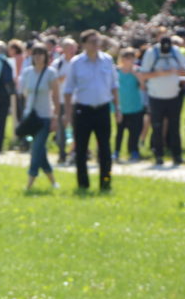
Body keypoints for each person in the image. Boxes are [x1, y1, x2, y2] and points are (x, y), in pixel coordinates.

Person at [63, 29, 120, 191]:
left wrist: (118, 109)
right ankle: (83, 184)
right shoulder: (76, 63)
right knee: (81, 150)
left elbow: (114, 86)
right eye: (92, 42)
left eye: (98, 41)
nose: (96, 45)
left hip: (102, 109)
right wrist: (67, 115)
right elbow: (68, 90)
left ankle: (106, 182)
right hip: (83, 110)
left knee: (105, 149)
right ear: (84, 44)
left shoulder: (107, 60)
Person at [140, 34, 185, 167]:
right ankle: (158, 155)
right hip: (156, 96)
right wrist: (160, 73)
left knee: (175, 127)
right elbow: (143, 74)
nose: (166, 50)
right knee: (157, 127)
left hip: (174, 95)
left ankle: (176, 155)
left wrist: (176, 72)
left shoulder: (176, 52)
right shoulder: (151, 53)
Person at [19, 43, 61, 191]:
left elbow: (56, 96)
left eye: (40, 54)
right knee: (40, 151)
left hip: (44, 116)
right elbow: (24, 93)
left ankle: (30, 182)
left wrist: (55, 116)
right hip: (30, 116)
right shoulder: (27, 72)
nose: (37, 57)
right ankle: (53, 182)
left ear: (46, 56)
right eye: (35, 54)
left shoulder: (51, 73)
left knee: (36, 149)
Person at [114, 47, 145, 162]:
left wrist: (136, 74)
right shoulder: (116, 71)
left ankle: (134, 151)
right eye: (127, 58)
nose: (130, 60)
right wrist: (115, 108)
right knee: (119, 132)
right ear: (122, 59)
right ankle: (116, 151)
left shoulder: (137, 71)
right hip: (121, 108)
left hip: (135, 107)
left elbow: (143, 87)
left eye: (132, 58)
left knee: (134, 132)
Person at [51, 37, 78, 166]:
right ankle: (62, 153)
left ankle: (75, 152)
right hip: (62, 101)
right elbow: (52, 82)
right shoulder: (57, 64)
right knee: (61, 129)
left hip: (77, 100)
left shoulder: (79, 62)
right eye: (69, 48)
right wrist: (61, 79)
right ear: (63, 49)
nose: (72, 51)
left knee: (77, 128)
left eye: (73, 48)